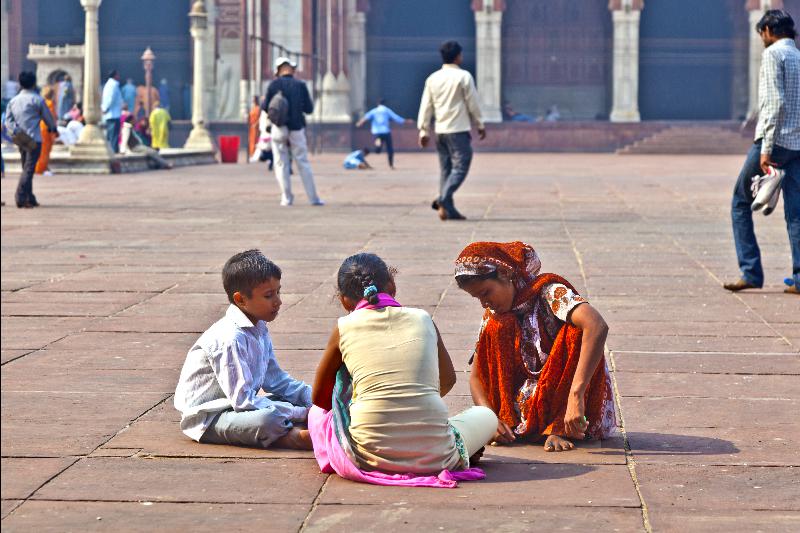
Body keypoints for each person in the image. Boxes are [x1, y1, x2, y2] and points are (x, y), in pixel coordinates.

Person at [312, 252, 497, 475]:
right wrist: (414, 402)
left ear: (343, 301)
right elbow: (448, 380)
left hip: (367, 457)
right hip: (438, 456)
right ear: (392, 286)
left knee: (315, 414)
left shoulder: (344, 327)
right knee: (486, 416)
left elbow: (320, 400)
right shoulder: (422, 318)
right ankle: (454, 445)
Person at [454, 241, 617, 452]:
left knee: (577, 329)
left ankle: (559, 427)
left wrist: (576, 396)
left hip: (572, 404)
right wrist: (489, 420)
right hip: (526, 405)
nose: (485, 303)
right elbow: (476, 376)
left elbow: (597, 325)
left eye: (486, 293)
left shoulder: (549, 292)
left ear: (505, 274)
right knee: (496, 326)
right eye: (477, 298)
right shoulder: (494, 315)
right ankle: (511, 423)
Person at [174, 250, 313, 450]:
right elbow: (243, 401)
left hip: (241, 409)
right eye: (268, 295)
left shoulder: (259, 328)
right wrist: (301, 413)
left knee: (289, 400)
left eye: (278, 292)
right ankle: (293, 436)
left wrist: (315, 399)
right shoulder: (231, 338)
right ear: (240, 300)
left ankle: (290, 430)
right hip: (211, 418)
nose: (278, 301)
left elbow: (276, 380)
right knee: (268, 418)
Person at [724, 10, 800, 295]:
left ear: (768, 30)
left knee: (740, 201)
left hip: (775, 142)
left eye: (761, 35)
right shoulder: (797, 57)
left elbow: (775, 104)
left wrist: (766, 149)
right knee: (796, 211)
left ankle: (750, 271)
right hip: (797, 144)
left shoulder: (773, 55)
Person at [418, 40, 485, 221]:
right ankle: (443, 199)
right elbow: (473, 103)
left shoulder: (432, 78)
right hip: (458, 129)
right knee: (461, 166)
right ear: (458, 57)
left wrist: (424, 130)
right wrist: (480, 124)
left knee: (446, 170)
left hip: (440, 130)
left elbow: (426, 106)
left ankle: (449, 210)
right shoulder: (464, 77)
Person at [262, 57, 323, 206]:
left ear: (278, 70)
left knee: (281, 163)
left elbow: (265, 107)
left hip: (278, 128)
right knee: (302, 162)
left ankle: (286, 198)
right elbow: (309, 109)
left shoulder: (273, 85)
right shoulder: (300, 85)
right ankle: (313, 198)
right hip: (296, 128)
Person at [4, 71, 56, 208]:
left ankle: (30, 197)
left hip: (21, 139)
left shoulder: (13, 101)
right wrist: (53, 128)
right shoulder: (37, 100)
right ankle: (20, 197)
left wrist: (15, 131)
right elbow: (48, 118)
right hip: (34, 140)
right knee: (29, 169)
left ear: (20, 83)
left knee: (27, 168)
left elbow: (8, 121)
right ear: (33, 83)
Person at [356, 99, 410, 169]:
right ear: (384, 104)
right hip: (386, 132)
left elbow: (366, 118)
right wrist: (405, 121)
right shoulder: (387, 110)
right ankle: (391, 165)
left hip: (377, 132)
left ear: (378, 103)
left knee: (377, 150)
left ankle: (378, 142)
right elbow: (396, 117)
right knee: (390, 149)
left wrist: (360, 123)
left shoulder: (374, 111)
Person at [35, 85, 57, 176]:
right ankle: (40, 168)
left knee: (41, 150)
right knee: (45, 150)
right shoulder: (50, 103)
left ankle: (40, 167)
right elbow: (51, 117)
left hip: (40, 127)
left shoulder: (41, 102)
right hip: (47, 128)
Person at [101, 70, 123, 153]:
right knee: (113, 135)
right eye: (118, 75)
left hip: (114, 114)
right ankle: (113, 152)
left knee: (114, 135)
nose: (119, 76)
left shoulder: (112, 84)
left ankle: (114, 150)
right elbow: (110, 98)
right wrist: (105, 108)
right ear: (115, 76)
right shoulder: (112, 85)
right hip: (112, 114)